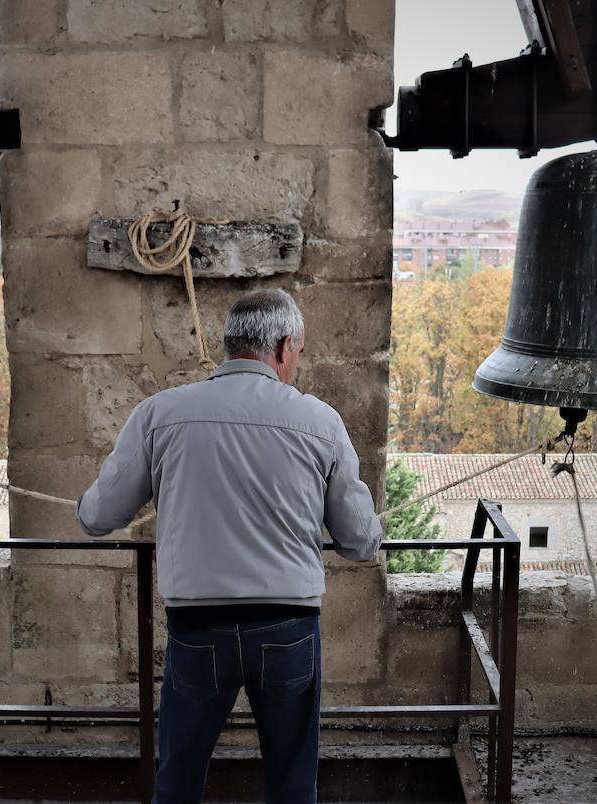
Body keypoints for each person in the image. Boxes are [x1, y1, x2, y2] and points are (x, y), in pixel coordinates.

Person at [77, 288, 384, 804]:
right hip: (289, 628)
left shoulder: (161, 414)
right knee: (291, 786)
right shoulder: (320, 422)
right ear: (285, 346)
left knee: (177, 781)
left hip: (198, 630)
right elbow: (359, 541)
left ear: (230, 344)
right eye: (300, 352)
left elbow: (98, 516)